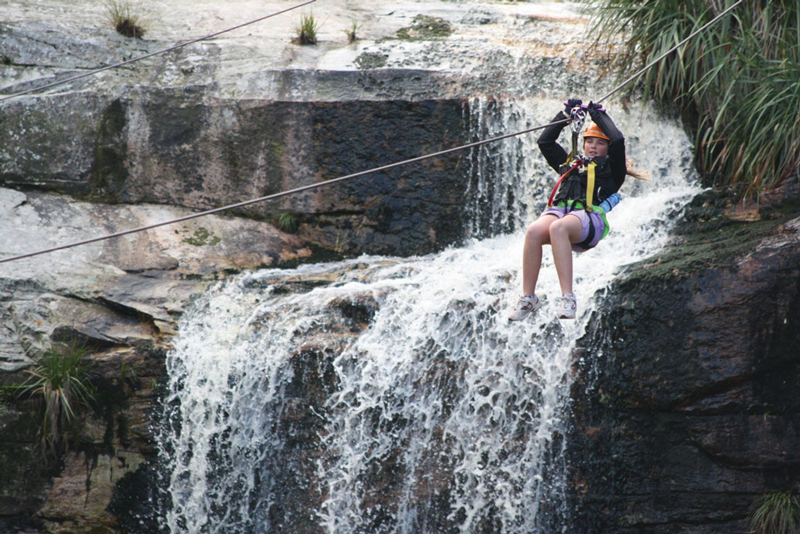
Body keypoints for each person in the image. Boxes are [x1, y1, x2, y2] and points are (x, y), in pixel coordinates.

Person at [508, 98, 637, 321]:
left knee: (558, 228)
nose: (593, 146)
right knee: (533, 231)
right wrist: (565, 115)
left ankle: (568, 297)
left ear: (607, 149)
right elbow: (545, 142)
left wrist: (598, 115)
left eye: (600, 143)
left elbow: (617, 139)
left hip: (589, 219)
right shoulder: (570, 164)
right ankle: (528, 298)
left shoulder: (613, 172)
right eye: (589, 142)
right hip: (562, 211)